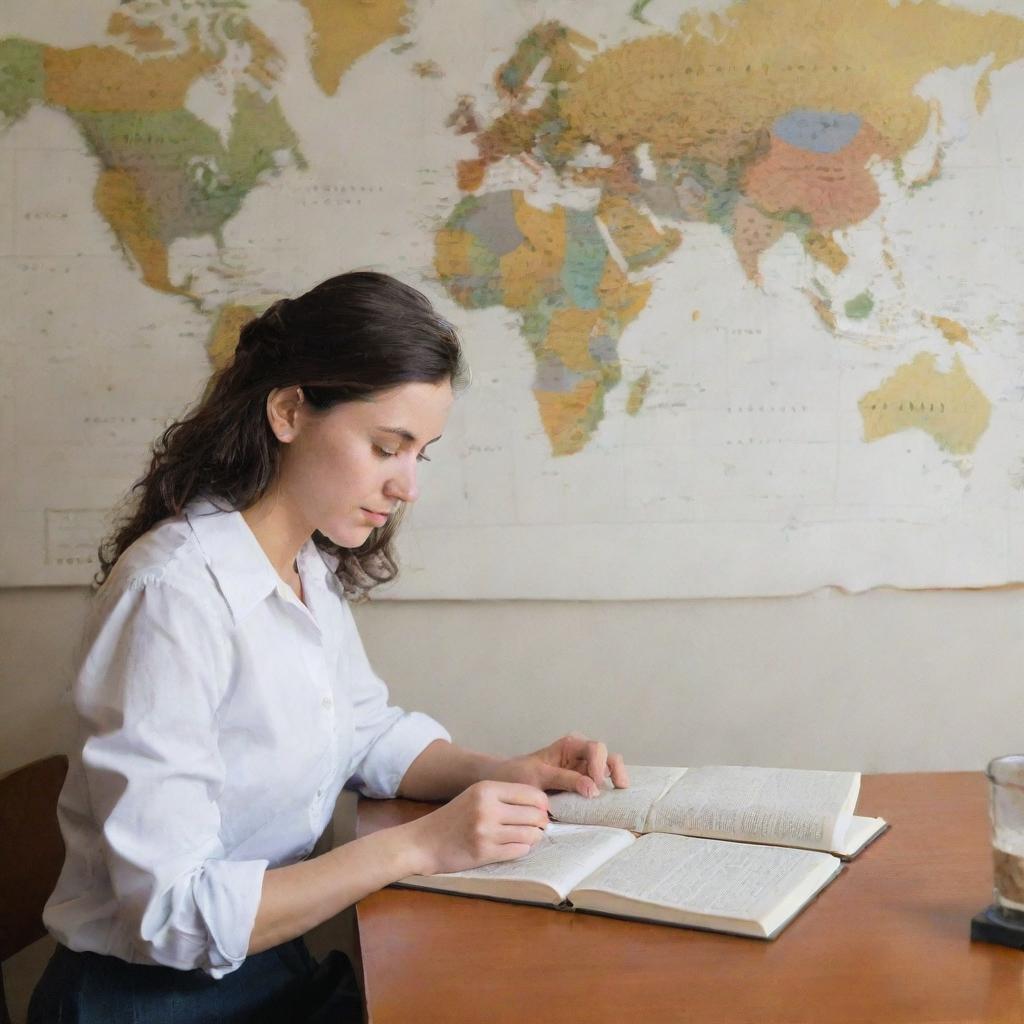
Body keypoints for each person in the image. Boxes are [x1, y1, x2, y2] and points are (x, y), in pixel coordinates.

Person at [29, 272, 629, 1023]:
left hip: (267, 962)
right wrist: (418, 848)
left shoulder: (305, 563)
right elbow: (172, 916)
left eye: (422, 455)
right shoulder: (172, 597)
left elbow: (361, 730)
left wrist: (508, 771)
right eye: (387, 447)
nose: (406, 486)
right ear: (288, 411)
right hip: (151, 999)